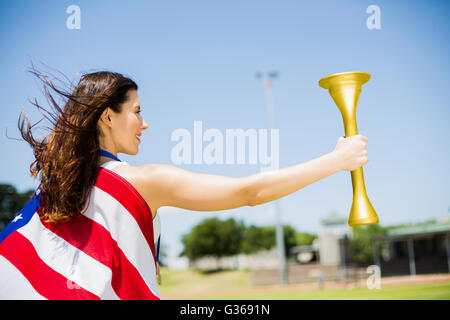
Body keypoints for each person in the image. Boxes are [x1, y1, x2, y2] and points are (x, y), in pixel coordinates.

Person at [0, 69, 369, 300]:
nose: (145, 124)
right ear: (108, 116)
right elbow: (250, 193)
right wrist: (336, 161)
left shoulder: (55, 186)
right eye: (138, 111)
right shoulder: (142, 181)